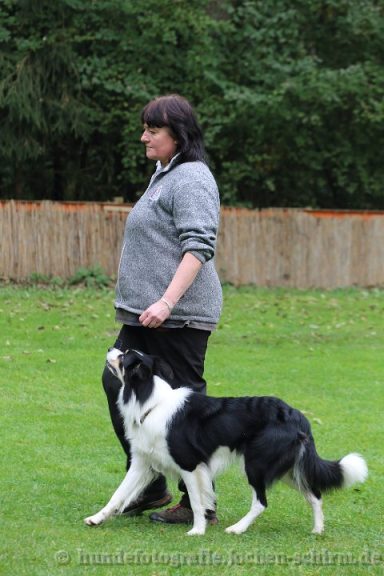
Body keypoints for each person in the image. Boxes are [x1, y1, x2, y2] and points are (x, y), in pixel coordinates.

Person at [102, 94, 223, 525]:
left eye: (152, 131)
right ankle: (151, 484)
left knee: (185, 409)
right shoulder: (164, 174)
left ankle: (199, 505)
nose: (144, 137)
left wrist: (166, 301)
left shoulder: (191, 178)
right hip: (144, 315)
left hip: (178, 316)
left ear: (178, 135)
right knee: (115, 380)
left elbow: (199, 246)